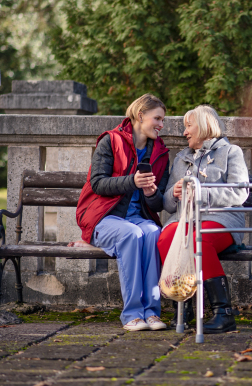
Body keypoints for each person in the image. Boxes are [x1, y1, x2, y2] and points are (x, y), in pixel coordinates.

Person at [74, 94, 170, 332]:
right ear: (140, 116)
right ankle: (132, 314)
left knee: (152, 232)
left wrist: (150, 192)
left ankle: (152, 313)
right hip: (103, 218)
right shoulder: (110, 141)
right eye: (157, 118)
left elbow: (157, 204)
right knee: (131, 234)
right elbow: (98, 183)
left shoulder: (160, 153)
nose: (161, 125)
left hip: (139, 219)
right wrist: (133, 181)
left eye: (162, 120)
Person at [157, 105, 249, 334]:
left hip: (221, 218)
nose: (185, 132)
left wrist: (201, 192)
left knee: (201, 240)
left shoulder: (231, 152)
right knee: (165, 239)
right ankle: (184, 306)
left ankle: (223, 313)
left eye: (189, 126)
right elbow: (167, 204)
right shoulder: (180, 158)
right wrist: (174, 193)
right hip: (184, 218)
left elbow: (240, 192)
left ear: (205, 125)